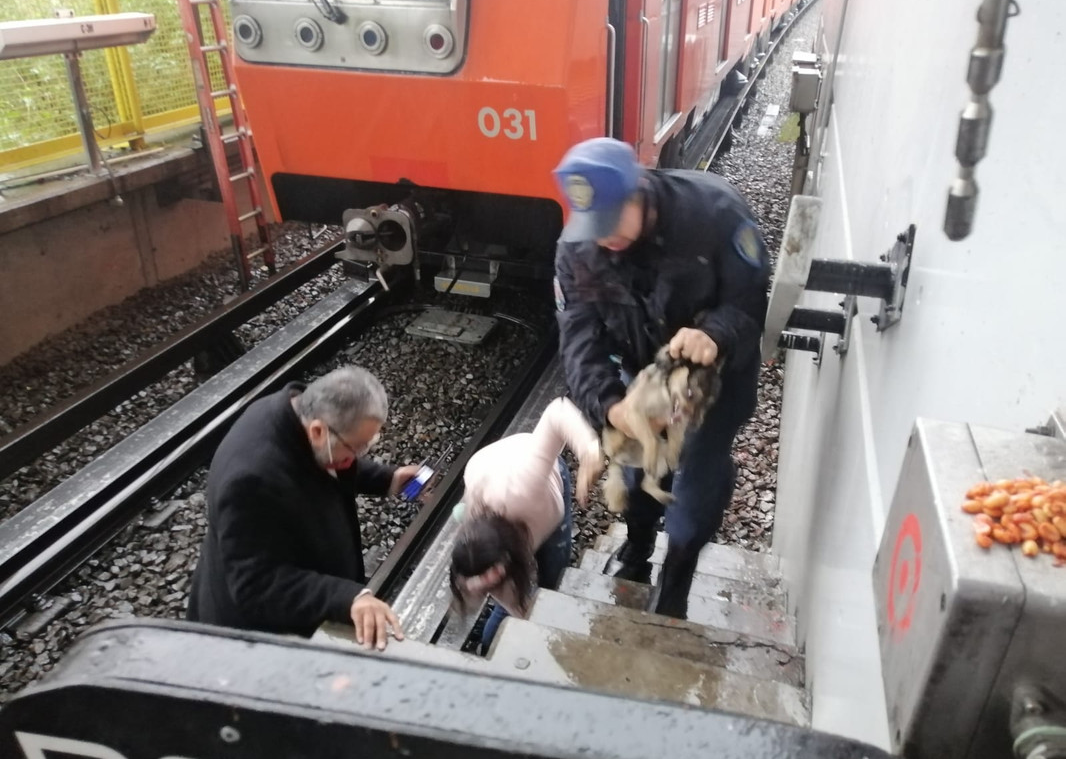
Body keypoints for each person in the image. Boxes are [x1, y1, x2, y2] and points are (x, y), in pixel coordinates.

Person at [550, 137, 770, 620]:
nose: (603, 237)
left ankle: (677, 579)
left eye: (611, 220)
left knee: (695, 490)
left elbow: (752, 299)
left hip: (713, 389)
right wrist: (612, 406)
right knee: (633, 475)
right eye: (594, 225)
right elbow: (578, 336)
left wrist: (716, 334)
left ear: (639, 191)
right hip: (639, 382)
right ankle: (637, 546)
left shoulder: (716, 214)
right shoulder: (578, 247)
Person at [187, 365, 420, 650]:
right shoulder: (250, 481)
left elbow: (333, 459)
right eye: (359, 447)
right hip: (257, 640)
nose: (360, 454)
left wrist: (388, 479)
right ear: (318, 431)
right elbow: (257, 585)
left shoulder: (295, 412)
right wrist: (347, 598)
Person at [449, 396, 603, 653]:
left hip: (527, 465)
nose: (494, 589)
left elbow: (558, 411)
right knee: (513, 605)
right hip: (485, 471)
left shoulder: (527, 485)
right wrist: (525, 619)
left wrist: (590, 451)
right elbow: (514, 604)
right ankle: (490, 648)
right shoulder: (474, 546)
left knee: (555, 566)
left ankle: (549, 592)